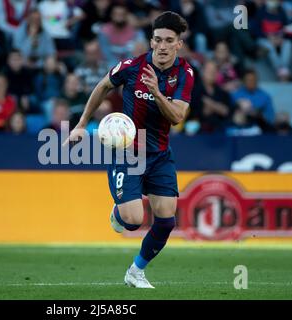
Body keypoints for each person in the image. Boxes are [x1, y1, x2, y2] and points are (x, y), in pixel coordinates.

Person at [64, 11, 194, 288]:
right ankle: (120, 211)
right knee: (133, 221)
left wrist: (157, 93)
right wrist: (81, 123)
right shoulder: (131, 66)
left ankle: (136, 271)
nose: (161, 46)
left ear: (178, 45)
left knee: (167, 220)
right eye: (157, 40)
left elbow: (177, 117)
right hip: (127, 152)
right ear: (151, 41)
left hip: (159, 154)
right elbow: (102, 86)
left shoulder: (185, 73)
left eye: (168, 41)